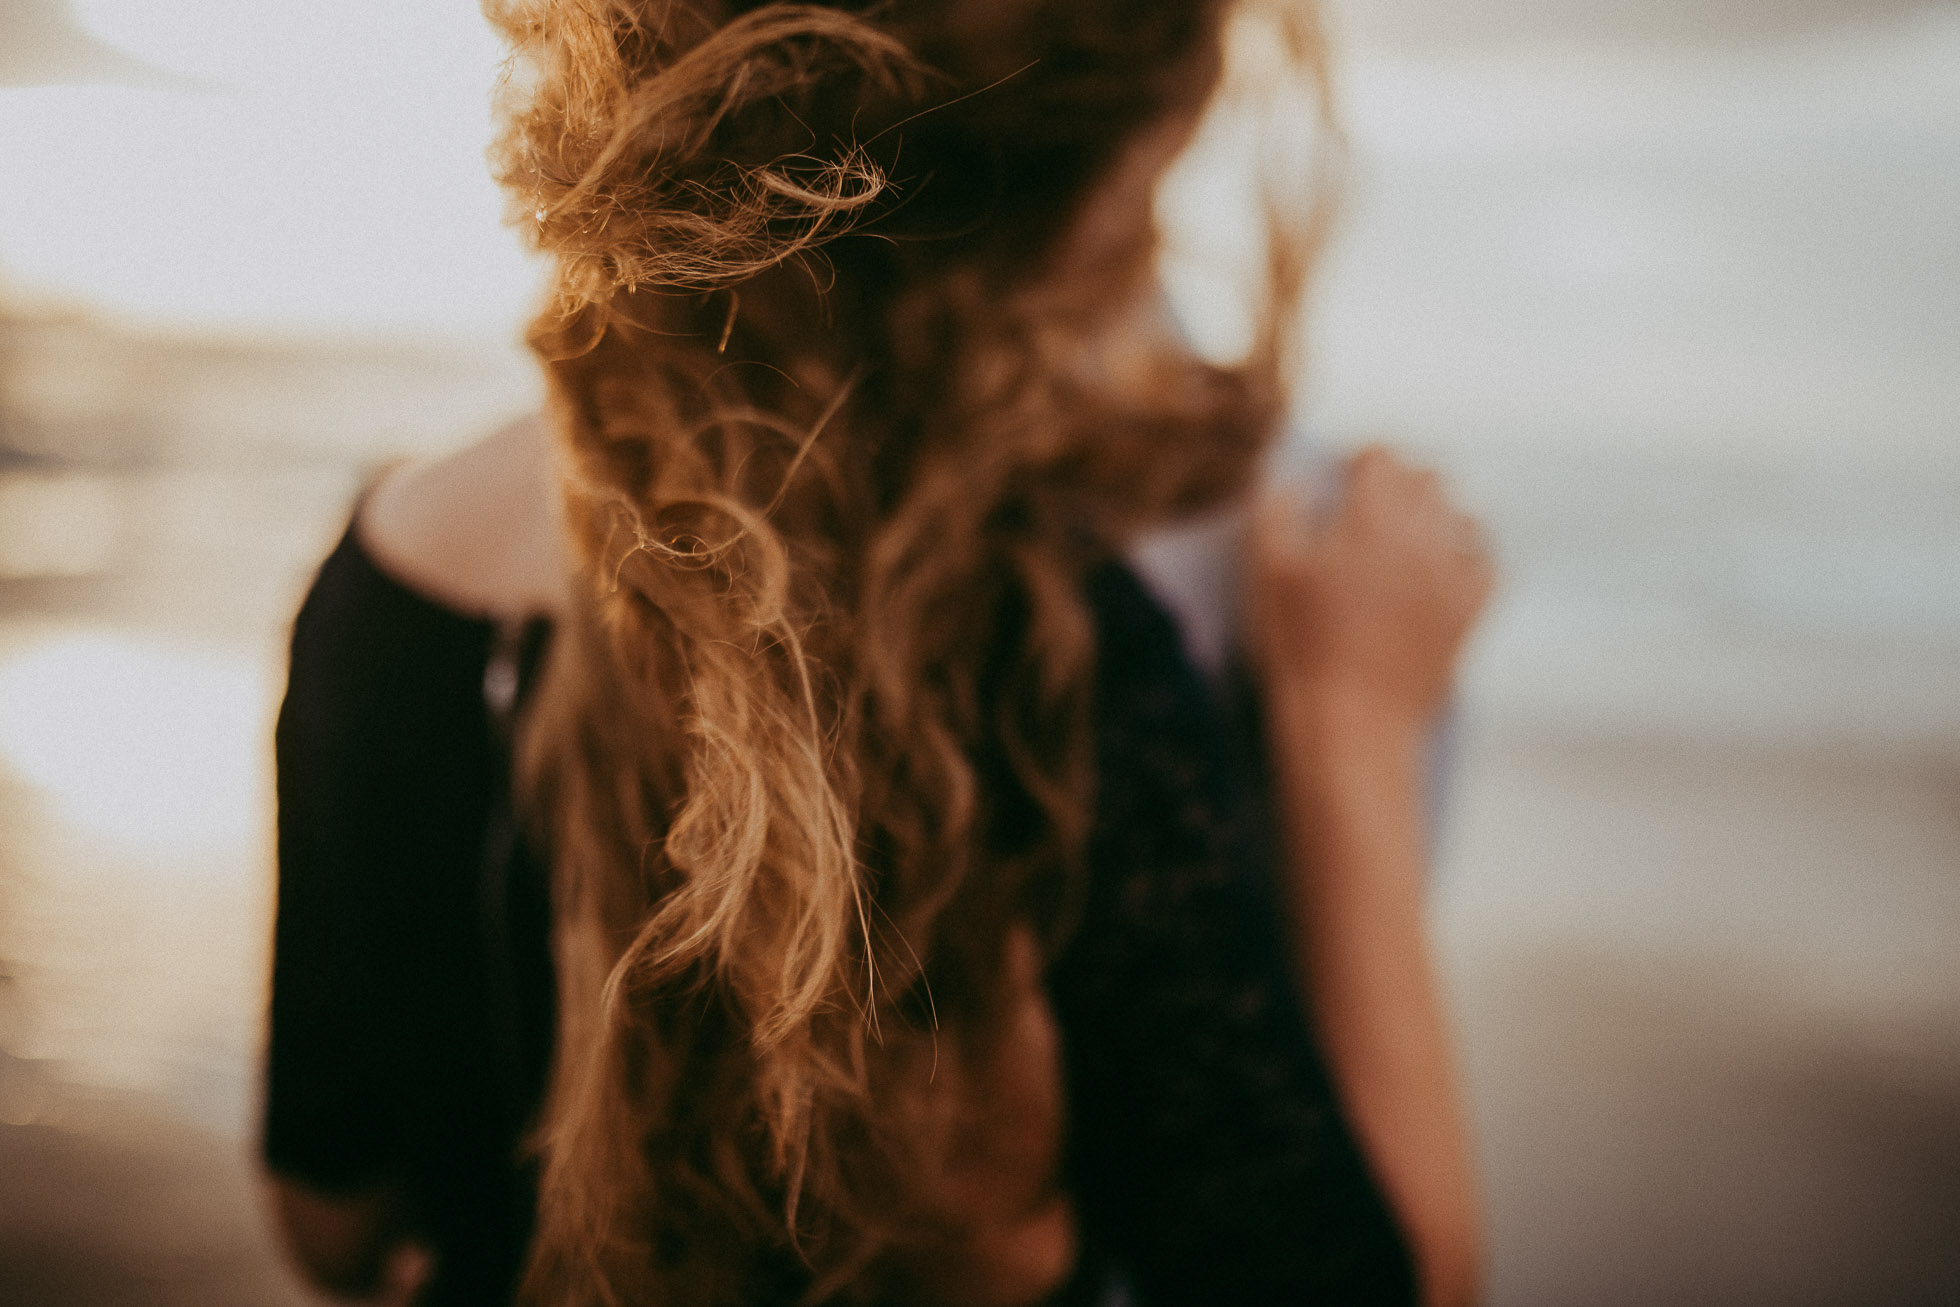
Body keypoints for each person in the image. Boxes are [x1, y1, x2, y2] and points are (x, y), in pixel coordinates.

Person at [261, 1, 1493, 1304]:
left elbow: (335, 1231)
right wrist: (1349, 726)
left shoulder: (392, 577)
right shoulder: (1079, 645)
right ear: (1140, 154)